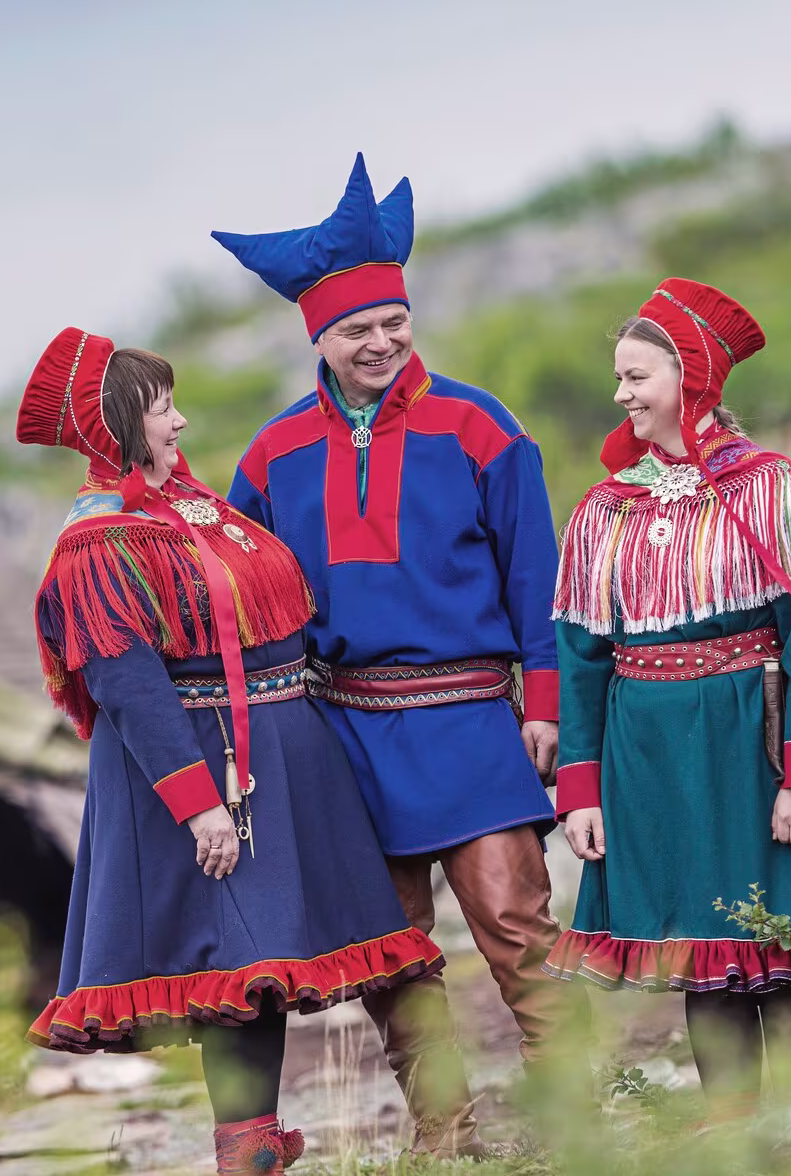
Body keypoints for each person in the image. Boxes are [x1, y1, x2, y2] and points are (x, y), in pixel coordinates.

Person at [218, 154, 589, 1158]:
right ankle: (444, 1135)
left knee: (518, 934)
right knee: (392, 962)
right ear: (319, 340)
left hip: (470, 722)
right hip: (347, 735)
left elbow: (538, 578)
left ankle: (581, 1131)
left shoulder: (481, 427)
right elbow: (244, 598)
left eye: (394, 322)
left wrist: (545, 702)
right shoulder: (271, 455)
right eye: (358, 331)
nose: (381, 342)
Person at [17, 327, 446, 1175]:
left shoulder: (189, 507)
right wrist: (198, 806)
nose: (178, 422)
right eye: (160, 408)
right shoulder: (99, 541)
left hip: (281, 755)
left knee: (276, 960)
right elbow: (128, 683)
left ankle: (446, 1128)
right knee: (238, 967)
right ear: (118, 425)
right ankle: (248, 1156)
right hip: (208, 768)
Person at [545, 278, 791, 1122]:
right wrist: (580, 790)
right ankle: (733, 1138)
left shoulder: (772, 489)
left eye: (636, 377)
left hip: (753, 745)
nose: (621, 396)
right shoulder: (604, 510)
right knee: (703, 953)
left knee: (785, 942)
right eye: (618, 378)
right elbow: (579, 661)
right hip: (649, 761)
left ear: (689, 377)